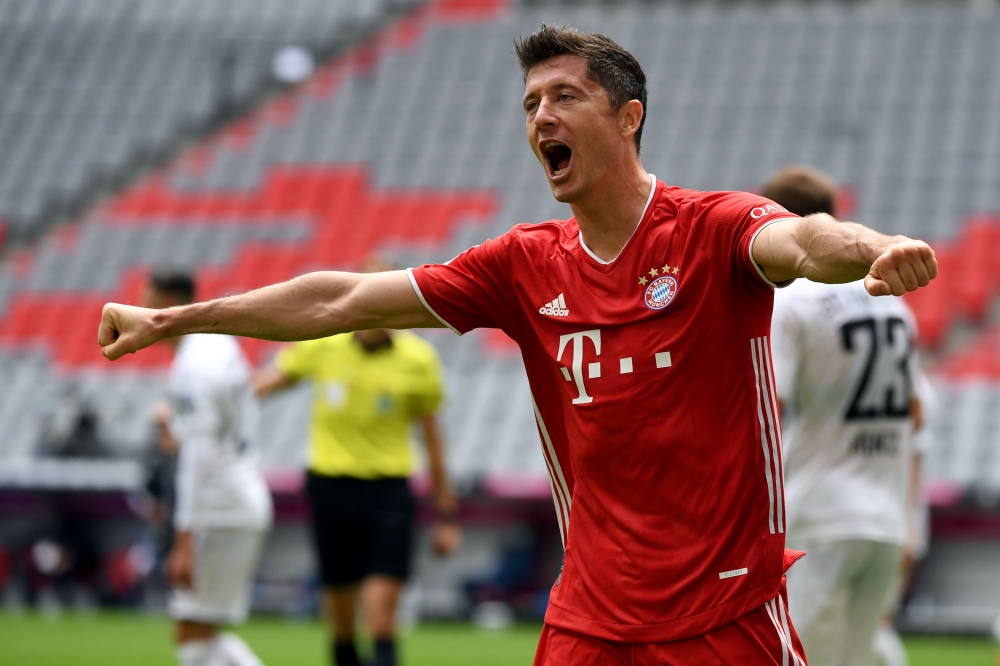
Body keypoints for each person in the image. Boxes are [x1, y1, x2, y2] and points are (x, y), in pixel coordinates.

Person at [98, 26, 938, 665]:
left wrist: (876, 251)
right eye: (531, 103)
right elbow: (344, 298)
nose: (541, 116)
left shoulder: (713, 229)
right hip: (590, 618)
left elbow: (806, 241)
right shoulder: (523, 264)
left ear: (627, 116)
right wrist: (172, 320)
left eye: (564, 97)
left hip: (723, 613)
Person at [253, 259, 461, 666]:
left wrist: (446, 513)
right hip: (331, 490)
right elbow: (270, 381)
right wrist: (213, 399)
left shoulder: (418, 360)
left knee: (381, 616)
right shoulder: (324, 343)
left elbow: (433, 440)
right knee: (342, 622)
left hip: (388, 494)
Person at [765, 166, 925, 666]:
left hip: (819, 514)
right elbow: (916, 413)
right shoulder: (894, 305)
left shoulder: (790, 298)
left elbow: (770, 408)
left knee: (791, 657)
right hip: (885, 519)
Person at [148, 270, 273, 666]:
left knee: (193, 636)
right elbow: (225, 426)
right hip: (237, 492)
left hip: (221, 505)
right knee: (195, 632)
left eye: (145, 304)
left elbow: (200, 453)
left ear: (167, 303)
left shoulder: (193, 365)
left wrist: (183, 540)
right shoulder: (218, 344)